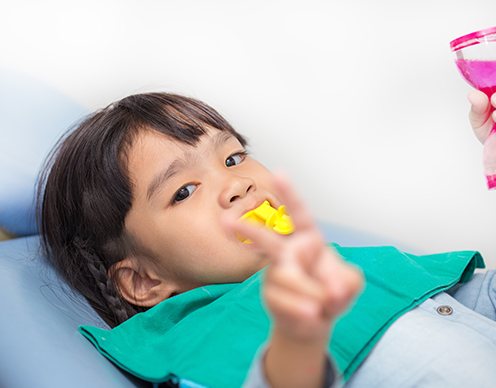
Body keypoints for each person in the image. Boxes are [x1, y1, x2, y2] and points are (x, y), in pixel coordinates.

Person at [38, 91, 496, 388]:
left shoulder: (347, 266)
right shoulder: (201, 343)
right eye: (184, 191)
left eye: (234, 157)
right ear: (144, 281)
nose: (238, 184)